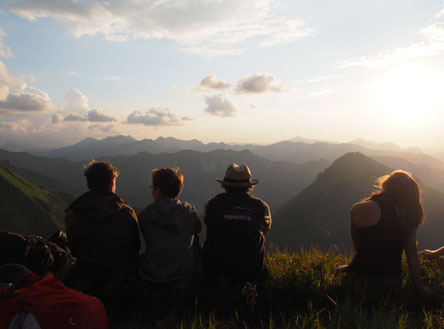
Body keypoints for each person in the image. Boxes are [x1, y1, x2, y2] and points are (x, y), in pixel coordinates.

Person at [336, 170, 430, 295]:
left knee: (338, 270)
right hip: (391, 281)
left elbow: (359, 248)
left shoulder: (359, 208)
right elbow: (411, 252)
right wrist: (420, 286)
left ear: (386, 184)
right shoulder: (409, 214)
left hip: (359, 276)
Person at [65, 160, 140, 287]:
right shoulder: (127, 213)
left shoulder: (74, 212)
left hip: (85, 274)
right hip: (119, 277)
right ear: (112, 184)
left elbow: (74, 248)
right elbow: (134, 248)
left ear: (88, 184)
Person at [203, 163, 272, 284]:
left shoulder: (211, 204)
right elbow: (265, 229)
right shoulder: (261, 206)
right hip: (253, 275)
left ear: (225, 185)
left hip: (216, 273)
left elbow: (207, 223)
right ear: (249, 186)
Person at [138, 168, 202, 288]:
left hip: (153, 278)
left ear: (157, 189)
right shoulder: (190, 211)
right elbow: (198, 228)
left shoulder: (145, 216)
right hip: (185, 278)